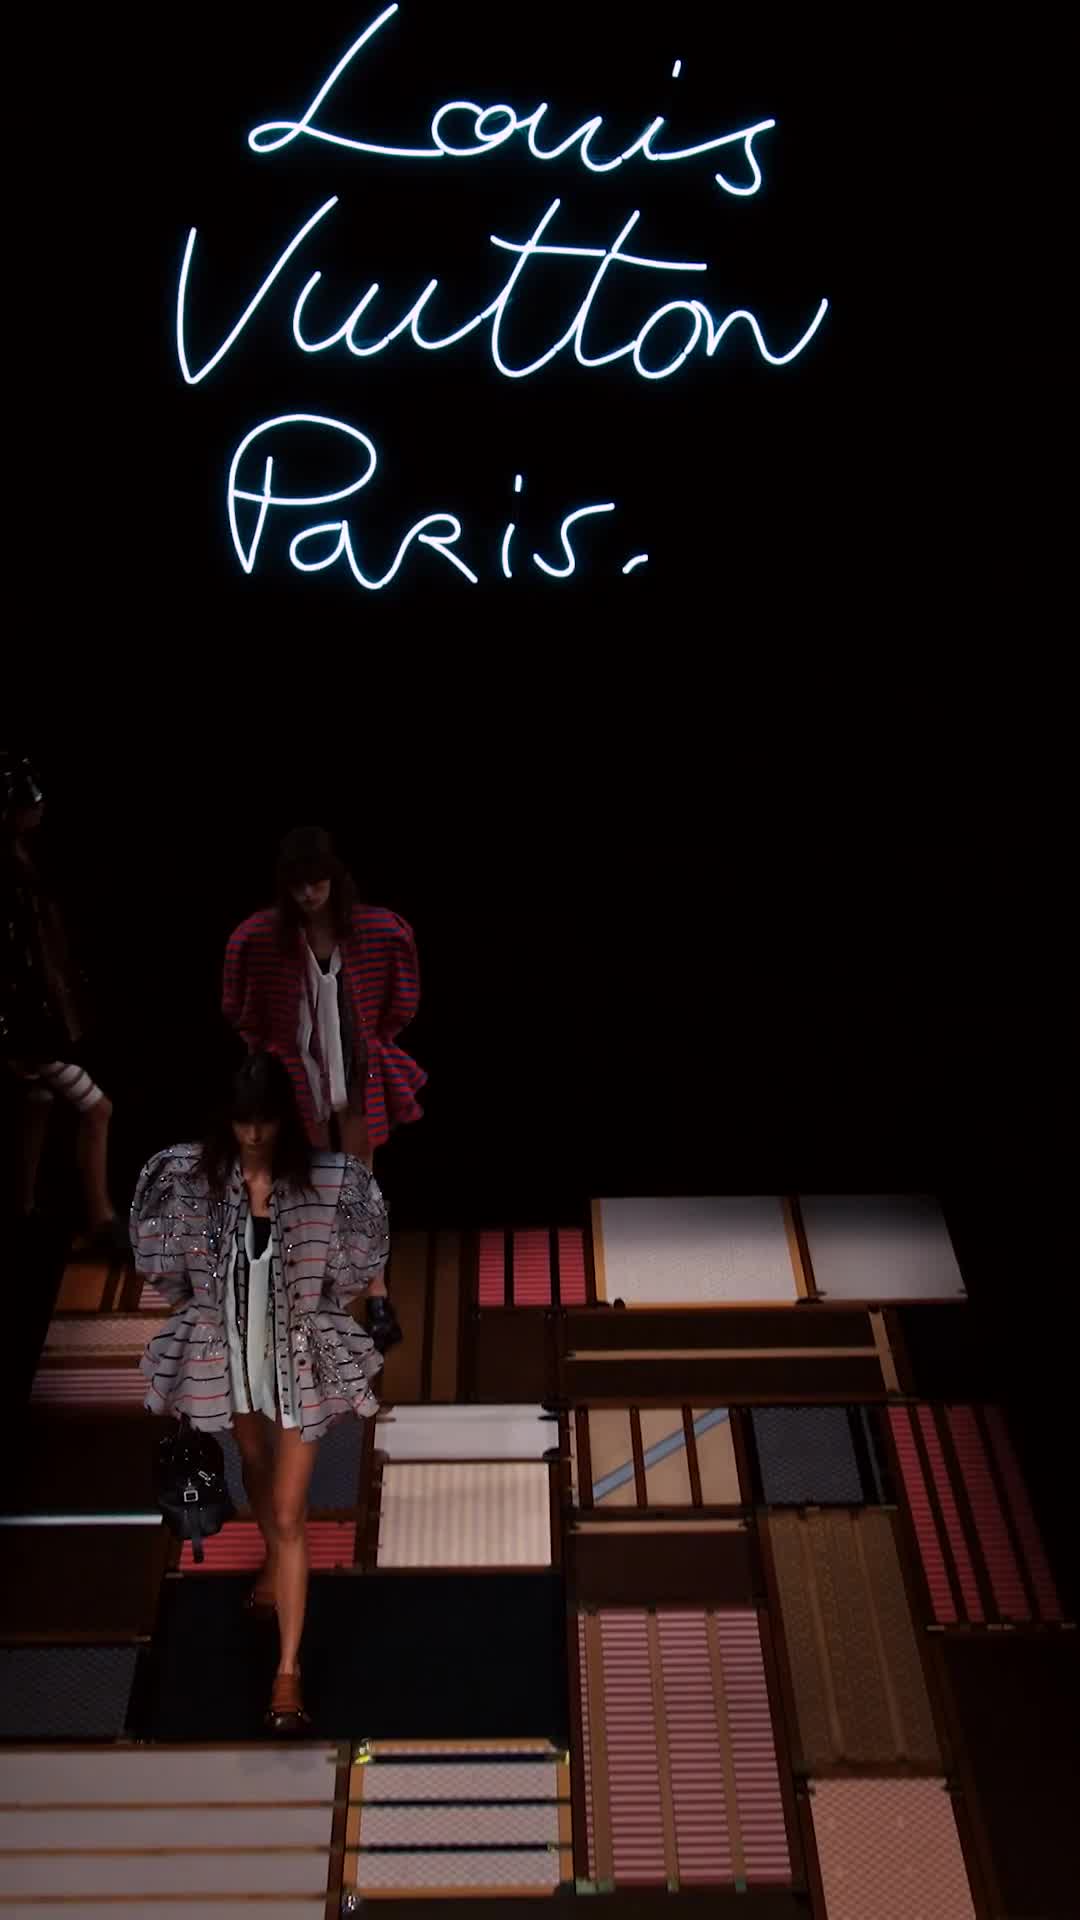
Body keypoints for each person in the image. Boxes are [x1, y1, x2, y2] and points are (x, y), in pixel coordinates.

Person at [132, 1051, 391, 1732]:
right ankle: (275, 1561)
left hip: (297, 1359)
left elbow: (352, 1268)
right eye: (242, 1121)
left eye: (264, 1121)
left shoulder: (327, 1183)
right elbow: (168, 1270)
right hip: (231, 1356)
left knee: (288, 1507)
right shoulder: (191, 1181)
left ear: (284, 1120)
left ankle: (287, 1671)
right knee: (252, 1465)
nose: (252, 1133)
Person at [222, 827, 425, 1172]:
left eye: (316, 882)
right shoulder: (261, 938)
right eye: (297, 885)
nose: (307, 893)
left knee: (358, 1166)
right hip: (295, 1062)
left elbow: (402, 995)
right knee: (308, 1165)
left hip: (357, 1057)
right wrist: (266, 1046)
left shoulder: (377, 931)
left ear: (333, 878)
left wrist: (379, 1037)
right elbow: (241, 1003)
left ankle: (357, 1210)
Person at [1, 751, 127, 1254]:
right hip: (25, 1025)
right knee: (97, 1109)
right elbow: (17, 961)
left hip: (32, 1021)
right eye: (30, 803)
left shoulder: (20, 861)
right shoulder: (10, 875)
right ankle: (99, 1218)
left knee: (38, 1103)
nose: (40, 809)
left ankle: (24, 1209)